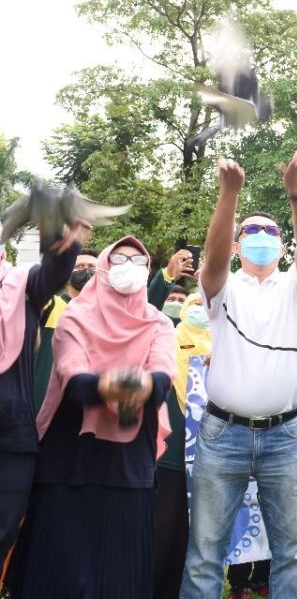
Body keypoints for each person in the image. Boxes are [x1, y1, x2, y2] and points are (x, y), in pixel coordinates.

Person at [180, 151, 297, 599]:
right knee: (205, 552)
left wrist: (296, 193)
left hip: (288, 436)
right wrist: (229, 196)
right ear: (238, 245)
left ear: (285, 247)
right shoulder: (222, 287)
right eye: (251, 231)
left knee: (293, 553)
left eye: (271, 231)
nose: (262, 236)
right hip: (224, 434)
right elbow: (214, 254)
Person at [13, 236, 176, 597]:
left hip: (128, 467)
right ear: (103, 266)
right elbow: (75, 378)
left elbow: (163, 376)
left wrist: (141, 388)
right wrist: (114, 387)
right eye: (119, 259)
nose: (129, 267)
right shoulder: (75, 317)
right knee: (54, 574)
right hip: (68, 462)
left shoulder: (159, 324)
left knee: (120, 576)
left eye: (138, 261)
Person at [0, 226, 82, 589]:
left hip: (12, 439)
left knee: (4, 531)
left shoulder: (20, 285)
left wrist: (65, 240)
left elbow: (56, 271)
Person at [154, 292, 212, 599]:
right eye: (194, 305)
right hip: (171, 452)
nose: (200, 311)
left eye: (205, 305)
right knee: (164, 525)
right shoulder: (169, 340)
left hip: (209, 456)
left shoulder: (223, 342)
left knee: (190, 534)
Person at [32, 247, 96, 408]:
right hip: (43, 404)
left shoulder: (108, 315)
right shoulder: (53, 305)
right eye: (79, 266)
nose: (86, 270)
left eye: (92, 267)